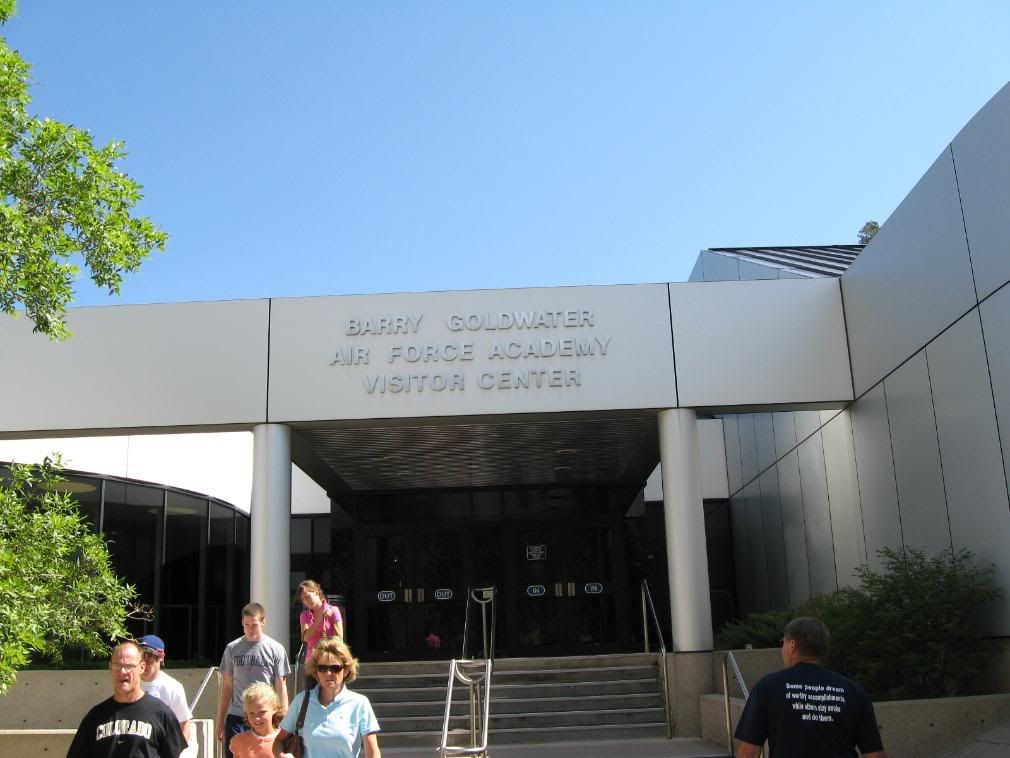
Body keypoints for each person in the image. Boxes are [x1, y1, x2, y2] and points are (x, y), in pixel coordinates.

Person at [734, 617, 888, 758]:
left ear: (792, 645)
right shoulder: (853, 691)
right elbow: (874, 754)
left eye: (783, 642)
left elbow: (749, 753)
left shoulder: (768, 687)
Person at [67, 639, 187, 757]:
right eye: (117, 665)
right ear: (110, 668)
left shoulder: (162, 714)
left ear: (142, 667)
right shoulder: (96, 716)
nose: (123, 671)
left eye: (129, 666)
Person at [274, 638, 380, 758]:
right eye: (322, 668)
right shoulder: (302, 701)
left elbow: (373, 752)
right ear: (316, 672)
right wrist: (281, 755)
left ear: (345, 671)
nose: (328, 673)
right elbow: (278, 741)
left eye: (335, 668)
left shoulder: (359, 704)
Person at [217, 602, 291, 758]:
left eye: (254, 625)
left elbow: (281, 686)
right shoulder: (232, 648)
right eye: (246, 624)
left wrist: (284, 717)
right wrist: (220, 720)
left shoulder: (276, 649)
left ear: (263, 622)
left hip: (263, 715)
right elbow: (227, 687)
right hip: (237, 716)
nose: (250, 629)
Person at [137, 635, 196, 756]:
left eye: (149, 659)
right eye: (140, 658)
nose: (144, 663)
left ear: (161, 657)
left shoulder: (172, 687)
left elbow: (184, 726)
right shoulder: (131, 684)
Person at [229, 683, 284, 758]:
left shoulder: (285, 740)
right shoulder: (238, 741)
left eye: (262, 712)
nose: (256, 718)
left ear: (274, 708)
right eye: (251, 713)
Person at [298, 580, 344, 661]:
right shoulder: (304, 615)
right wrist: (320, 617)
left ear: (316, 591)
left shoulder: (333, 610)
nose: (306, 601)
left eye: (307, 596)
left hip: (331, 659)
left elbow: (339, 638)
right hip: (312, 662)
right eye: (303, 600)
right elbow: (306, 638)